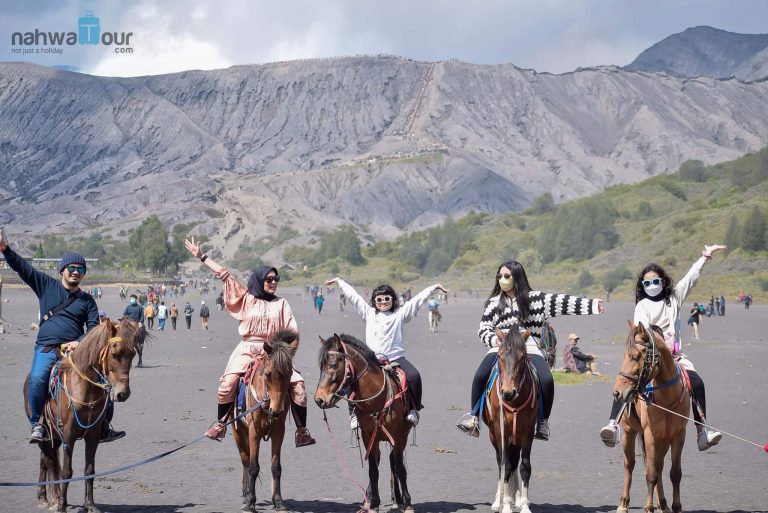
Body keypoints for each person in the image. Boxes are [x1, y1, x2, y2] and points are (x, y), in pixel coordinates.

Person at [184, 237, 315, 447]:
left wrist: (283, 353)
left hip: (274, 352)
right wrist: (201, 256)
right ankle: (221, 424)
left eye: (276, 279)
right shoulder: (247, 299)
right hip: (247, 348)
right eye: (269, 279)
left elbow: (292, 333)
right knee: (227, 385)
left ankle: (301, 431)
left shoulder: (282, 303)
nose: (273, 282)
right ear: (259, 280)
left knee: (298, 387)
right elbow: (224, 274)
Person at [0, 228, 124, 443]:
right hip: (47, 348)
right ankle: (37, 424)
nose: (76, 272)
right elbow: (23, 268)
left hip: (76, 352)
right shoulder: (46, 286)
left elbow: (94, 329)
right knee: (38, 377)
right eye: (72, 268)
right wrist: (5, 248)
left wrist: (80, 343)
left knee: (104, 381)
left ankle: (103, 425)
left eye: (80, 269)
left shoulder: (87, 301)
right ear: (62, 270)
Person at [456, 260, 604, 440]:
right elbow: (483, 328)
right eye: (500, 276)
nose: (502, 279)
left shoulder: (536, 298)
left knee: (547, 379)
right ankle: (474, 418)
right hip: (502, 345)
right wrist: (494, 339)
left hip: (529, 344)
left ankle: (542, 422)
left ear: (517, 277)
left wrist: (593, 306)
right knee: (480, 375)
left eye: (507, 276)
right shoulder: (493, 302)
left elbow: (564, 302)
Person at [599, 244, 725, 452]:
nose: (652, 285)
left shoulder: (673, 298)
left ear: (663, 281)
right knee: (628, 379)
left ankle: (702, 431)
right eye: (647, 282)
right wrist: (658, 344)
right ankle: (612, 424)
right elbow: (643, 332)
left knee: (697, 382)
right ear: (642, 284)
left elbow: (690, 279)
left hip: (675, 356)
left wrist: (704, 257)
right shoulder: (642, 306)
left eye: (655, 281)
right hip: (649, 357)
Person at [325, 276, 450, 429]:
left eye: (386, 298)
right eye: (379, 299)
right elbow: (354, 298)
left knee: (414, 376)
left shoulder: (400, 314)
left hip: (396, 358)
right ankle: (353, 414)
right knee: (351, 378)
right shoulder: (369, 313)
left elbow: (417, 301)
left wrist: (433, 287)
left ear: (393, 300)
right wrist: (340, 282)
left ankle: (413, 409)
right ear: (374, 302)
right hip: (372, 360)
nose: (383, 302)